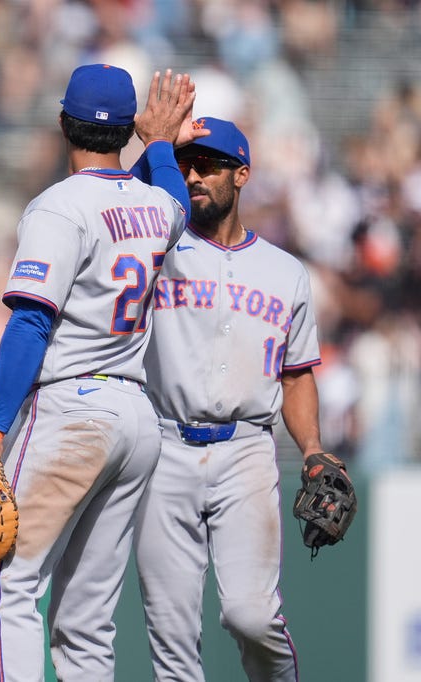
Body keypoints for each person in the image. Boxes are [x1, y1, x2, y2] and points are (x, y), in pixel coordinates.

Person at [0, 64, 198, 680]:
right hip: (136, 418)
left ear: (63, 123)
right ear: (129, 130)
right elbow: (175, 200)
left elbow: (31, 323)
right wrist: (160, 145)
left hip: (72, 410)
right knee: (87, 619)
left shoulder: (57, 207)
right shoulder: (157, 206)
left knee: (10, 587)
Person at [134, 117, 322, 681]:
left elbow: (296, 375)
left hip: (246, 450)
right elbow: (121, 200)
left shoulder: (285, 271)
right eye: (185, 165)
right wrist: (155, 143)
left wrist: (313, 449)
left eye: (208, 166)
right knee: (171, 633)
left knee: (252, 616)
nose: (193, 176)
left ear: (241, 174)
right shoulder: (156, 249)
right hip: (164, 444)